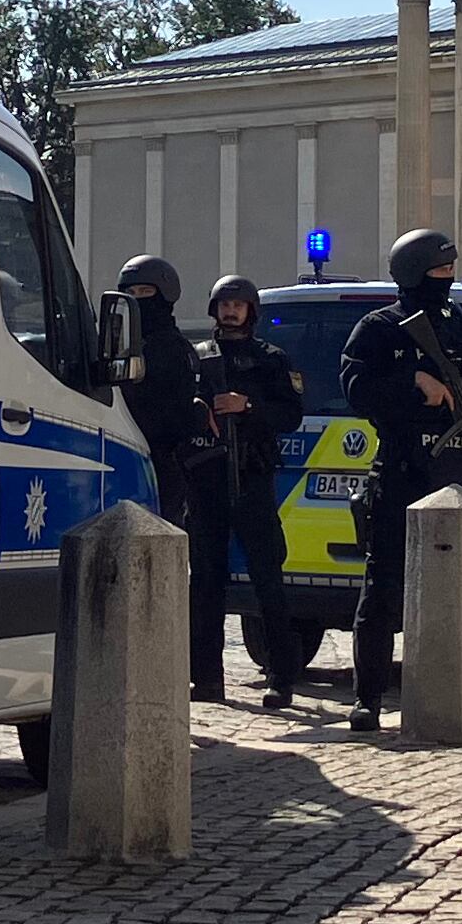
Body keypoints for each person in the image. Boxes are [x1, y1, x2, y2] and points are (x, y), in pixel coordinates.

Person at [340, 229, 462, 732]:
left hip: (455, 476)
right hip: (401, 470)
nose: (446, 280)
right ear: (413, 274)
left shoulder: (461, 329)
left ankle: (449, 692)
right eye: (438, 272)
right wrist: (413, 384)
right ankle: (368, 697)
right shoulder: (379, 329)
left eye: (450, 273)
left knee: (455, 593)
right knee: (383, 587)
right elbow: (356, 389)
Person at [186, 275, 304, 709]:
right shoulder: (198, 358)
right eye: (225, 304)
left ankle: (281, 676)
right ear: (214, 309)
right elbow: (179, 409)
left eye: (239, 305)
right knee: (205, 583)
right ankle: (206, 678)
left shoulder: (270, 359)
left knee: (268, 579)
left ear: (251, 311)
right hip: (208, 480)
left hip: (252, 477)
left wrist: (248, 406)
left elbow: (291, 414)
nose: (231, 311)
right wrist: (199, 410)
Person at [115, 255, 205, 527]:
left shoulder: (174, 349)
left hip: (163, 461)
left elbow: (173, 412)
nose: (137, 299)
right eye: (130, 293)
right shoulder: (129, 344)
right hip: (131, 453)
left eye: (145, 292)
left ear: (165, 295)